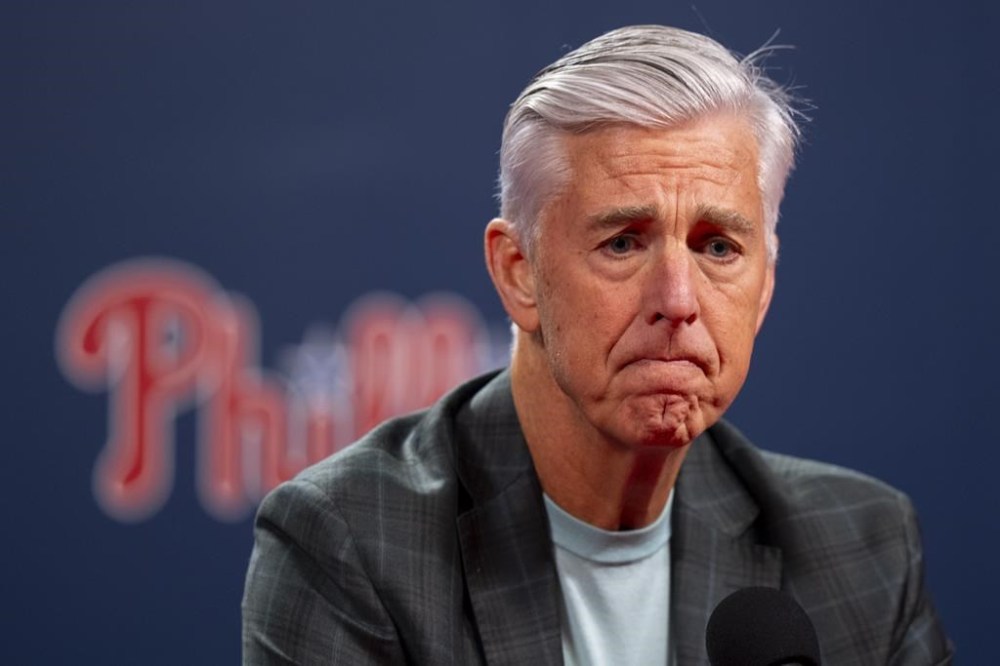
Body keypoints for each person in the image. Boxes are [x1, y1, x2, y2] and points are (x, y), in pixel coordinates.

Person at [242, 25, 953, 664]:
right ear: (518, 274)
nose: (677, 300)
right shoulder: (350, 543)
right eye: (622, 242)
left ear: (764, 287)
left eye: (717, 247)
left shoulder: (865, 549)